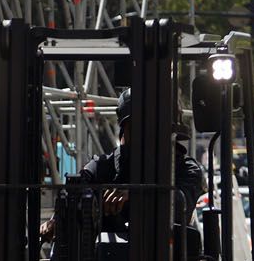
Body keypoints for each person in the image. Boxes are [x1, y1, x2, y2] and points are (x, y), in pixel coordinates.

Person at [39, 90, 205, 240]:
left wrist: (135, 195)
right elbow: (73, 193)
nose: (146, 138)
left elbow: (180, 204)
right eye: (139, 129)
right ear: (124, 129)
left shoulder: (186, 169)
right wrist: (57, 221)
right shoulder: (102, 167)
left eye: (156, 130)